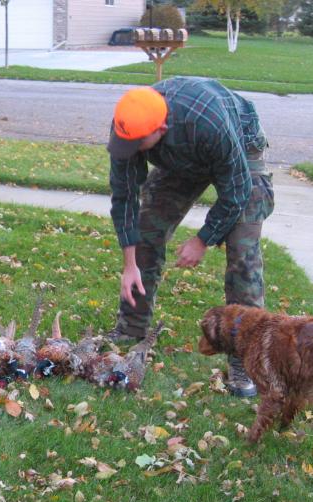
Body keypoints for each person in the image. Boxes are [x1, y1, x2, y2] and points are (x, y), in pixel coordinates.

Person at [105, 77, 274, 397]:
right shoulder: (128, 127)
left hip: (239, 147)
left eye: (137, 143)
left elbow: (237, 191)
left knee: (243, 252)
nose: (129, 150)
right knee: (147, 231)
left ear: (162, 129)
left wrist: (203, 239)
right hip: (181, 155)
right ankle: (131, 329)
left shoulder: (210, 124)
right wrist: (130, 265)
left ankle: (244, 357)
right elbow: (124, 197)